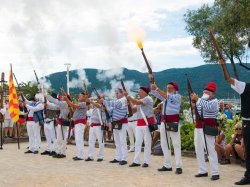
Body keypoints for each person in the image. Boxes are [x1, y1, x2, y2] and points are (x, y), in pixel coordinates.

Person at [151, 81, 183, 174]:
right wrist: (152, 82)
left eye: (170, 88)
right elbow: (154, 92)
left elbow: (164, 95)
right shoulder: (165, 98)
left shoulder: (177, 96)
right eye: (167, 88)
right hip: (163, 122)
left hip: (173, 121)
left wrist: (157, 88)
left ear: (175, 89)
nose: (168, 89)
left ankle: (178, 166)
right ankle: (167, 164)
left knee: (176, 144)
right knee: (164, 144)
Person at [190, 82, 220, 181]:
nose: (205, 94)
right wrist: (193, 102)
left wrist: (197, 99)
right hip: (198, 127)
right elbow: (196, 109)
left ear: (212, 94)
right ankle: (202, 170)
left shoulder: (214, 102)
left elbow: (208, 107)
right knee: (198, 149)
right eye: (204, 92)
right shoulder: (201, 101)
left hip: (208, 127)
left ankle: (215, 172)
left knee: (210, 150)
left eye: (207, 92)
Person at [227, 77, 250, 185]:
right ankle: (248, 176)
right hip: (247, 122)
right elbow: (228, 79)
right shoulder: (245, 86)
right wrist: (223, 65)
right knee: (248, 150)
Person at [125, 86, 154, 168]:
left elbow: (136, 102)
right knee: (138, 143)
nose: (138, 92)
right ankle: (136, 161)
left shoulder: (148, 99)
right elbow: (133, 110)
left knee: (147, 143)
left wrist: (128, 96)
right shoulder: (140, 100)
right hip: (139, 123)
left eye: (140, 91)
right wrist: (129, 102)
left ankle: (146, 161)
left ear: (145, 92)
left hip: (147, 123)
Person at [102, 87, 128, 165]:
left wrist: (104, 101)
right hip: (115, 123)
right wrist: (105, 107)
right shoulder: (118, 100)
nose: (116, 94)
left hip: (122, 123)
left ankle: (124, 158)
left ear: (122, 93)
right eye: (116, 93)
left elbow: (116, 104)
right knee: (117, 141)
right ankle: (118, 157)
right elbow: (111, 111)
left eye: (117, 93)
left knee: (122, 141)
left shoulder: (124, 100)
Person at [63, 91, 89, 161]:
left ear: (84, 97)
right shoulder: (80, 103)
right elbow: (73, 107)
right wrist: (69, 102)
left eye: (80, 96)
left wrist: (67, 100)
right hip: (77, 123)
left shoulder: (84, 103)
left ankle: (81, 155)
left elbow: (74, 105)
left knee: (79, 139)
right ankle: (79, 154)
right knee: (77, 139)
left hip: (80, 123)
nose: (79, 97)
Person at [46, 92, 70, 158]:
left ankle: (62, 153)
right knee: (59, 138)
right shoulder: (63, 104)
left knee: (61, 138)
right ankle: (59, 152)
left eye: (63, 97)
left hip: (63, 122)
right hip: (61, 122)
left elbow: (55, 101)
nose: (61, 97)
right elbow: (54, 107)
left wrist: (46, 95)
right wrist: (47, 105)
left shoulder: (64, 103)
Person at [86, 96, 106, 162]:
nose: (97, 99)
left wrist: (91, 101)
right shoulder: (95, 105)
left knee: (101, 141)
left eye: (99, 98)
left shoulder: (103, 105)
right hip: (92, 125)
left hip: (99, 126)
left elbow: (99, 106)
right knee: (91, 141)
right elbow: (89, 107)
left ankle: (101, 156)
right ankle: (90, 156)